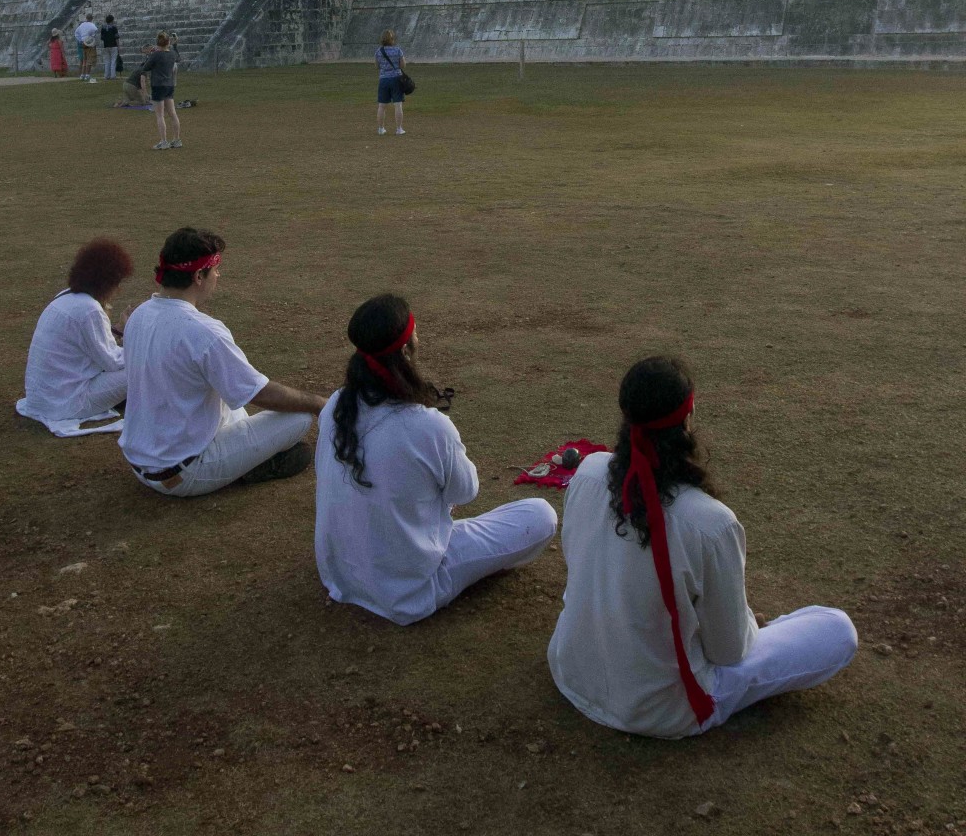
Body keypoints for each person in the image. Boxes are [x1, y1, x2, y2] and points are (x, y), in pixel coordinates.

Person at [547, 356, 857, 738]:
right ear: (688, 419)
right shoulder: (711, 522)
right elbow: (730, 652)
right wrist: (746, 621)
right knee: (837, 629)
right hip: (660, 710)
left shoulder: (588, 473)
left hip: (572, 671)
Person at [315, 294, 557, 625]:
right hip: (408, 591)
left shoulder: (335, 406)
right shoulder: (428, 425)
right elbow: (465, 492)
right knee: (540, 515)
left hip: (340, 575)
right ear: (404, 351)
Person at [119, 227, 325, 497]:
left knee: (221, 390)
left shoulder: (139, 314)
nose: (218, 275)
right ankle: (244, 469)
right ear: (198, 276)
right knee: (298, 418)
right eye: (214, 270)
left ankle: (242, 460)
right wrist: (320, 403)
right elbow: (259, 394)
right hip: (185, 473)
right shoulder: (204, 331)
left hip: (142, 463)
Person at [17, 239, 133, 428]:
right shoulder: (89, 309)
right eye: (117, 283)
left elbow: (93, 347)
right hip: (65, 404)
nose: (118, 290)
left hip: (44, 400)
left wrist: (118, 330)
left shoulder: (65, 297)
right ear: (107, 282)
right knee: (143, 366)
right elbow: (112, 362)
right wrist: (133, 338)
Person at [131, 32, 180, 149]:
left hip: (158, 86)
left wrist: (152, 54)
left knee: (160, 115)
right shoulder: (172, 54)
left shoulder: (155, 55)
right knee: (173, 113)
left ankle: (163, 142)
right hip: (169, 85)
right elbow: (177, 56)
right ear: (168, 42)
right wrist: (174, 44)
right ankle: (177, 140)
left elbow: (145, 68)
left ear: (158, 43)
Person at [375, 28, 407, 136]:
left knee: (382, 106)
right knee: (398, 105)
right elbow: (403, 65)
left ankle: (380, 128)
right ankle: (399, 129)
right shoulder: (398, 50)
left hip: (383, 79)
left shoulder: (379, 51)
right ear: (392, 39)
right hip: (396, 79)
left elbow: (377, 66)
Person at [74, 13, 100, 82]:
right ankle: (87, 75)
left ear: (86, 18)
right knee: (89, 59)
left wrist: (80, 40)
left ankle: (82, 75)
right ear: (92, 18)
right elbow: (95, 31)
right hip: (89, 42)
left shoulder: (82, 25)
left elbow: (76, 33)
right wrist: (91, 37)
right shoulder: (92, 25)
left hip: (83, 42)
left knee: (84, 60)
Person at [100, 15, 120, 80]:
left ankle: (106, 75)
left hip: (106, 46)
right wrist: (118, 46)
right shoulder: (114, 27)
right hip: (113, 45)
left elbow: (102, 38)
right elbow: (116, 37)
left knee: (107, 61)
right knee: (113, 61)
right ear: (112, 20)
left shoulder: (103, 27)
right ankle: (113, 75)